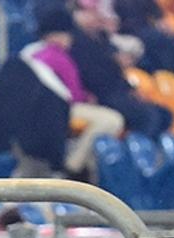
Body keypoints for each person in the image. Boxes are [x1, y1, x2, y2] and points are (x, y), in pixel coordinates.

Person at [29, 8, 124, 181]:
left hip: (55, 108)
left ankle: (83, 168)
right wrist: (86, 98)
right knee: (112, 120)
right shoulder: (54, 57)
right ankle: (73, 165)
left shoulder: (37, 53)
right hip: (62, 108)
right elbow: (72, 94)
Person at [71, 0, 173, 139]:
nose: (94, 17)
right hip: (103, 94)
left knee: (164, 113)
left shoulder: (101, 37)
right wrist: (114, 64)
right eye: (88, 13)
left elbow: (116, 72)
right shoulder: (77, 44)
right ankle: (136, 151)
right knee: (148, 116)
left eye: (94, 13)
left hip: (118, 90)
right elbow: (92, 76)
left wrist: (130, 89)